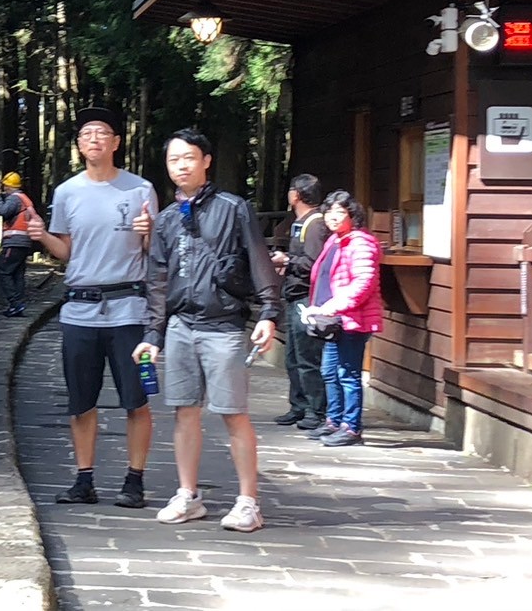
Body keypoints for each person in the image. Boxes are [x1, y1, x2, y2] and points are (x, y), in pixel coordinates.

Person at [133, 129, 282, 531]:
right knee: (184, 412)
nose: (181, 166)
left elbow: (257, 257)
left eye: (188, 158)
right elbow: (158, 279)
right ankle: (188, 495)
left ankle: (248, 501)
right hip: (181, 325)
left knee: (233, 413)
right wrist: (152, 335)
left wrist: (269, 312)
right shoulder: (165, 220)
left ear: (206, 161)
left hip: (223, 326)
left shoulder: (233, 208)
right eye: (173, 160)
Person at [28, 106, 159, 509]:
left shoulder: (140, 190)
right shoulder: (66, 192)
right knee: (80, 402)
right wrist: (41, 236)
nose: (94, 139)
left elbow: (157, 255)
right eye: (86, 134)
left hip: (130, 311)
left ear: (117, 143)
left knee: (136, 399)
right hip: (79, 311)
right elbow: (67, 253)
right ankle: (84, 480)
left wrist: (150, 233)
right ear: (79, 145)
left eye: (102, 133)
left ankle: (134, 480)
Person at [302, 189, 383, 447]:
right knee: (329, 371)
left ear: (352, 215)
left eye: (340, 211)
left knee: (348, 373)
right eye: (329, 211)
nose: (333, 216)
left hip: (352, 318)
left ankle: (352, 428)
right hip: (334, 318)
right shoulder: (335, 240)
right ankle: (334, 421)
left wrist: (335, 305)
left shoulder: (360, 242)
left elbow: (363, 282)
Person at [271, 174, 329, 430]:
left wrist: (287, 261)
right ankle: (299, 406)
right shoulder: (302, 222)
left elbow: (313, 262)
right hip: (294, 295)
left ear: (296, 195)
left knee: (307, 358)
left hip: (307, 297)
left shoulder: (315, 224)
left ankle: (315, 410)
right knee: (293, 357)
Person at [0, 172, 37, 317]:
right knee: (17, 274)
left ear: (8, 185)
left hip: (14, 242)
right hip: (24, 242)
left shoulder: (14, 199)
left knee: (3, 272)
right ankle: (18, 305)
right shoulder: (24, 199)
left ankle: (15, 304)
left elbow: (3, 211)